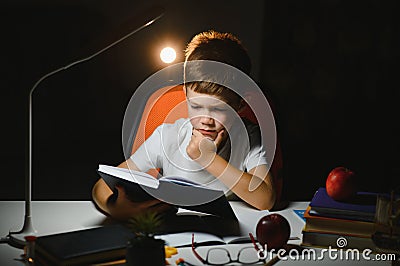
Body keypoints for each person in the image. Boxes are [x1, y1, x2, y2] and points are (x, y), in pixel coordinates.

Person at [92, 30, 276, 220]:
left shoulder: (248, 135)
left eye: (219, 109)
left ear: (240, 105)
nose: (206, 120)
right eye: (196, 106)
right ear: (185, 96)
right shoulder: (168, 136)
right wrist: (115, 208)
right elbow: (101, 186)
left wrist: (209, 160)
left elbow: (265, 199)